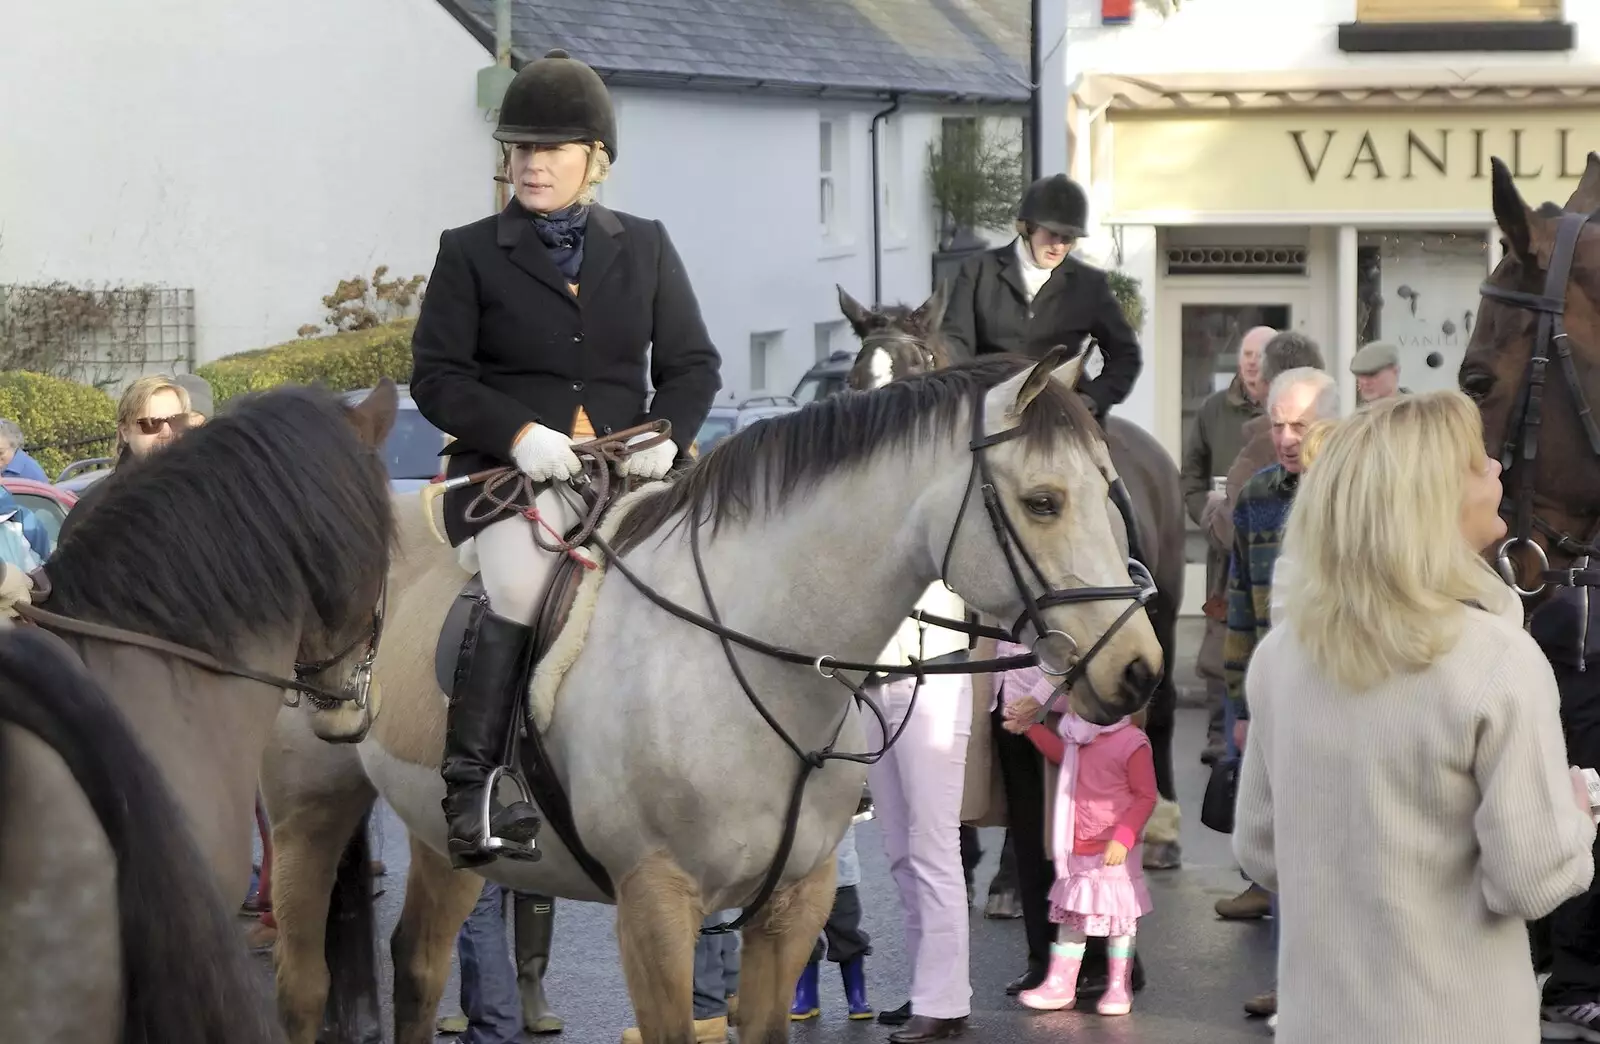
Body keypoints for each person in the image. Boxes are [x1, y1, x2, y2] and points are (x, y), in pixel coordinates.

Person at [409, 48, 722, 868]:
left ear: (597, 162)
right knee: (516, 584)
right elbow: (437, 376)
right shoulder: (470, 250)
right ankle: (475, 783)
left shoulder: (646, 246)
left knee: (727, 558)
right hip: (519, 474)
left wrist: (668, 433)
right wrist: (520, 433)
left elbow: (694, 366)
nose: (533, 163)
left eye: (550, 150)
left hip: (633, 467)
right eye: (520, 149)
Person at [1234, 390, 1597, 1044]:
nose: (1497, 468)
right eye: (1476, 460)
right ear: (1433, 495)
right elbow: (1532, 879)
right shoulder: (1498, 661)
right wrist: (1578, 813)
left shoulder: (1281, 658)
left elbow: (1261, 850)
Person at [1219, 367, 1338, 1024]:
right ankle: (1292, 983)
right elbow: (1240, 603)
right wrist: (1239, 704)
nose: (1287, 438)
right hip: (1274, 695)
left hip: (1345, 692)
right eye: (1278, 424)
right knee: (1284, 850)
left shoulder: (1358, 491)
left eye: (1302, 425)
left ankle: (1337, 988)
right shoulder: (1259, 495)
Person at [1000, 674, 1156, 1017]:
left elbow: (1145, 797)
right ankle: (1062, 982)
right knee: (1073, 917)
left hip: (1114, 852)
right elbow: (1060, 755)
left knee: (1118, 920)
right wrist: (1029, 728)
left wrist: (1125, 836)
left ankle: (1118, 985)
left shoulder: (1132, 742)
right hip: (1080, 845)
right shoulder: (1077, 737)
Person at [940, 173, 1141, 420]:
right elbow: (954, 342)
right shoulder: (978, 271)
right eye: (1051, 234)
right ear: (1029, 227)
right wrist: (973, 393)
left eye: (1067, 238)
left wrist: (1094, 397)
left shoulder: (1089, 284)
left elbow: (1126, 354)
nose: (1058, 245)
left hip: (1060, 412)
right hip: (988, 405)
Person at [865, 588, 974, 1043]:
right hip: (868, 674)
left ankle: (943, 1003)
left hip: (931, 668)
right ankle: (929, 989)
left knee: (932, 844)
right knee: (900, 851)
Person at [1182, 326, 1270, 767]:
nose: (1253, 362)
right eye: (1248, 353)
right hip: (1223, 547)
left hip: (1270, 541)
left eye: (1262, 354)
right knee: (1219, 638)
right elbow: (1191, 476)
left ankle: (1264, 729)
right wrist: (1206, 513)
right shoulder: (1213, 410)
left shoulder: (1285, 409)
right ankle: (1219, 732)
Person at [54, 373, 195, 547]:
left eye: (177, 421)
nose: (166, 432)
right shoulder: (94, 510)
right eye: (151, 424)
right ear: (125, 432)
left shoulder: (203, 495)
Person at [790, 824, 871, 1021]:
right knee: (800, 930)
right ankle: (805, 996)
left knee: (845, 928)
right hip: (796, 865)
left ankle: (857, 996)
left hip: (837, 864)